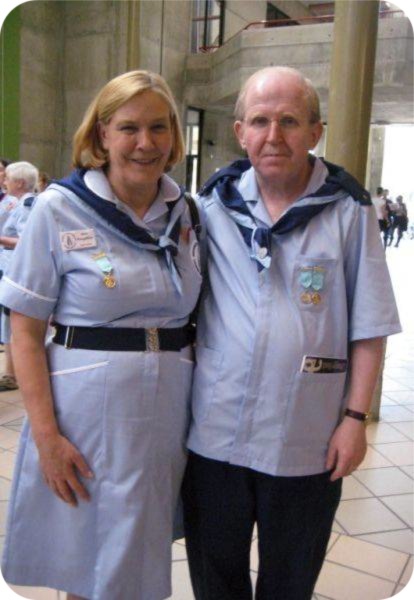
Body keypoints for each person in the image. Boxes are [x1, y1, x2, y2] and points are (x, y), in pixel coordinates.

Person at [182, 66, 401, 600]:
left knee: (290, 581)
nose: (273, 135)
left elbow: (369, 327)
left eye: (289, 121)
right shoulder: (211, 207)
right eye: (259, 120)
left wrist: (355, 419)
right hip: (216, 433)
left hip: (304, 437)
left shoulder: (348, 211)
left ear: (315, 132)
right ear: (240, 132)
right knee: (215, 578)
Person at [0, 70, 201, 600]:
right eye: (128, 127)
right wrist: (46, 439)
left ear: (175, 138)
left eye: (159, 128)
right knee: (88, 552)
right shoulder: (58, 208)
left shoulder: (187, 213)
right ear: (101, 135)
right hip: (83, 411)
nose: (145, 143)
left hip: (166, 409)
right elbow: (24, 333)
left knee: (140, 543)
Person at [0, 161, 39, 391]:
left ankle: (13, 374)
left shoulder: (26, 205)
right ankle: (11, 372)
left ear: (20, 183)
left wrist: (1, 240)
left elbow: (26, 240)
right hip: (10, 267)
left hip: (15, 269)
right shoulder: (24, 203)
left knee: (12, 322)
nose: (5, 182)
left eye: (8, 178)